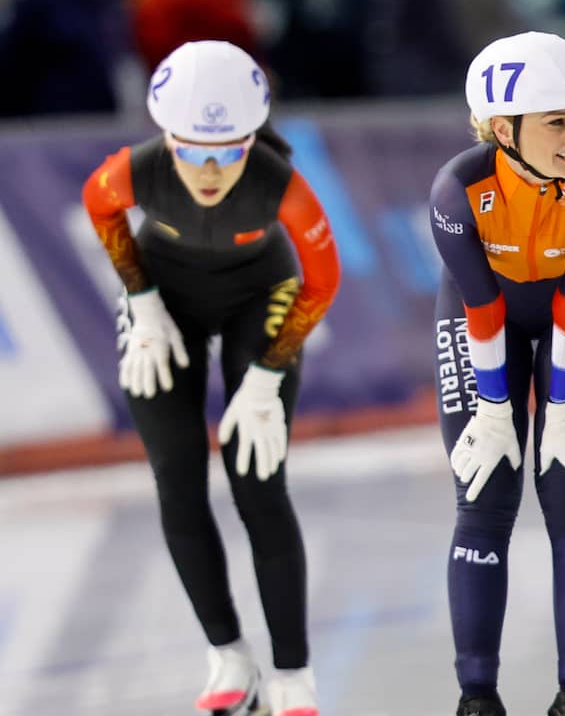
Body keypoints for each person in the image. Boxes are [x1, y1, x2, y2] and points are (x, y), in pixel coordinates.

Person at [81, 40, 340, 716]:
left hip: (264, 298)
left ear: (251, 140)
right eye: (192, 151)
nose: (208, 169)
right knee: (177, 474)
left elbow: (322, 279)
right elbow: (98, 206)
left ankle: (292, 674)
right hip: (165, 298)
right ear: (166, 137)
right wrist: (138, 298)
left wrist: (266, 376)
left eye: (227, 152)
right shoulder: (134, 170)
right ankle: (228, 655)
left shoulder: (279, 184)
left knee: (259, 483)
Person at [428, 31, 565, 716]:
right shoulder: (457, 190)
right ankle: (476, 697)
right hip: (488, 315)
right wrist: (494, 410)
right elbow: (481, 305)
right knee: (484, 497)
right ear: (500, 129)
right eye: (557, 122)